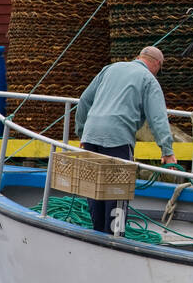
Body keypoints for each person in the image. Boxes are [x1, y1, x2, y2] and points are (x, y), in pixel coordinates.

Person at [75, 45, 177, 234]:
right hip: (118, 140)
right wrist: (167, 151)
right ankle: (114, 238)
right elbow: (158, 118)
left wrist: (82, 132)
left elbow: (84, 101)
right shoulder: (149, 80)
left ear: (139, 57)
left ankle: (97, 234)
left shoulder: (110, 68)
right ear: (156, 64)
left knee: (93, 189)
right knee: (117, 193)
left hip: (91, 136)